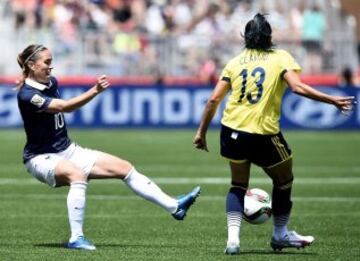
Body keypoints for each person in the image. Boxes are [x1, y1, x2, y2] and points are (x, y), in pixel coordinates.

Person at [193, 13, 355, 255]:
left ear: (245, 37)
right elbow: (297, 87)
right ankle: (280, 234)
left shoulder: (235, 62)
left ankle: (233, 241)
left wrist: (201, 132)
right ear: (269, 37)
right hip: (262, 133)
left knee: (238, 184)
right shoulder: (280, 58)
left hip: (231, 131)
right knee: (284, 180)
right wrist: (331, 99)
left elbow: (214, 99)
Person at [16, 44, 201, 251]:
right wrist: (95, 90)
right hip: (40, 157)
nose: (51, 66)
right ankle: (76, 238)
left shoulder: (51, 82)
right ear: (31, 65)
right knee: (77, 175)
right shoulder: (27, 95)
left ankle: (174, 206)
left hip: (68, 150)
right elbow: (64, 107)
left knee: (125, 168)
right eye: (47, 62)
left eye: (51, 61)